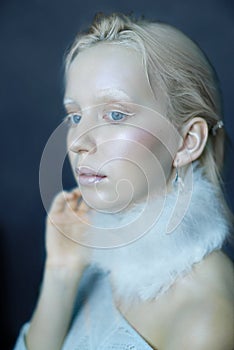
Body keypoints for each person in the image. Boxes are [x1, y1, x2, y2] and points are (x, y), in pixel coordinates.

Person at [14, 13, 234, 350]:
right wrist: (61, 271)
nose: (76, 142)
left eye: (115, 114)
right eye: (75, 116)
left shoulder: (207, 318)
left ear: (187, 141)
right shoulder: (101, 254)